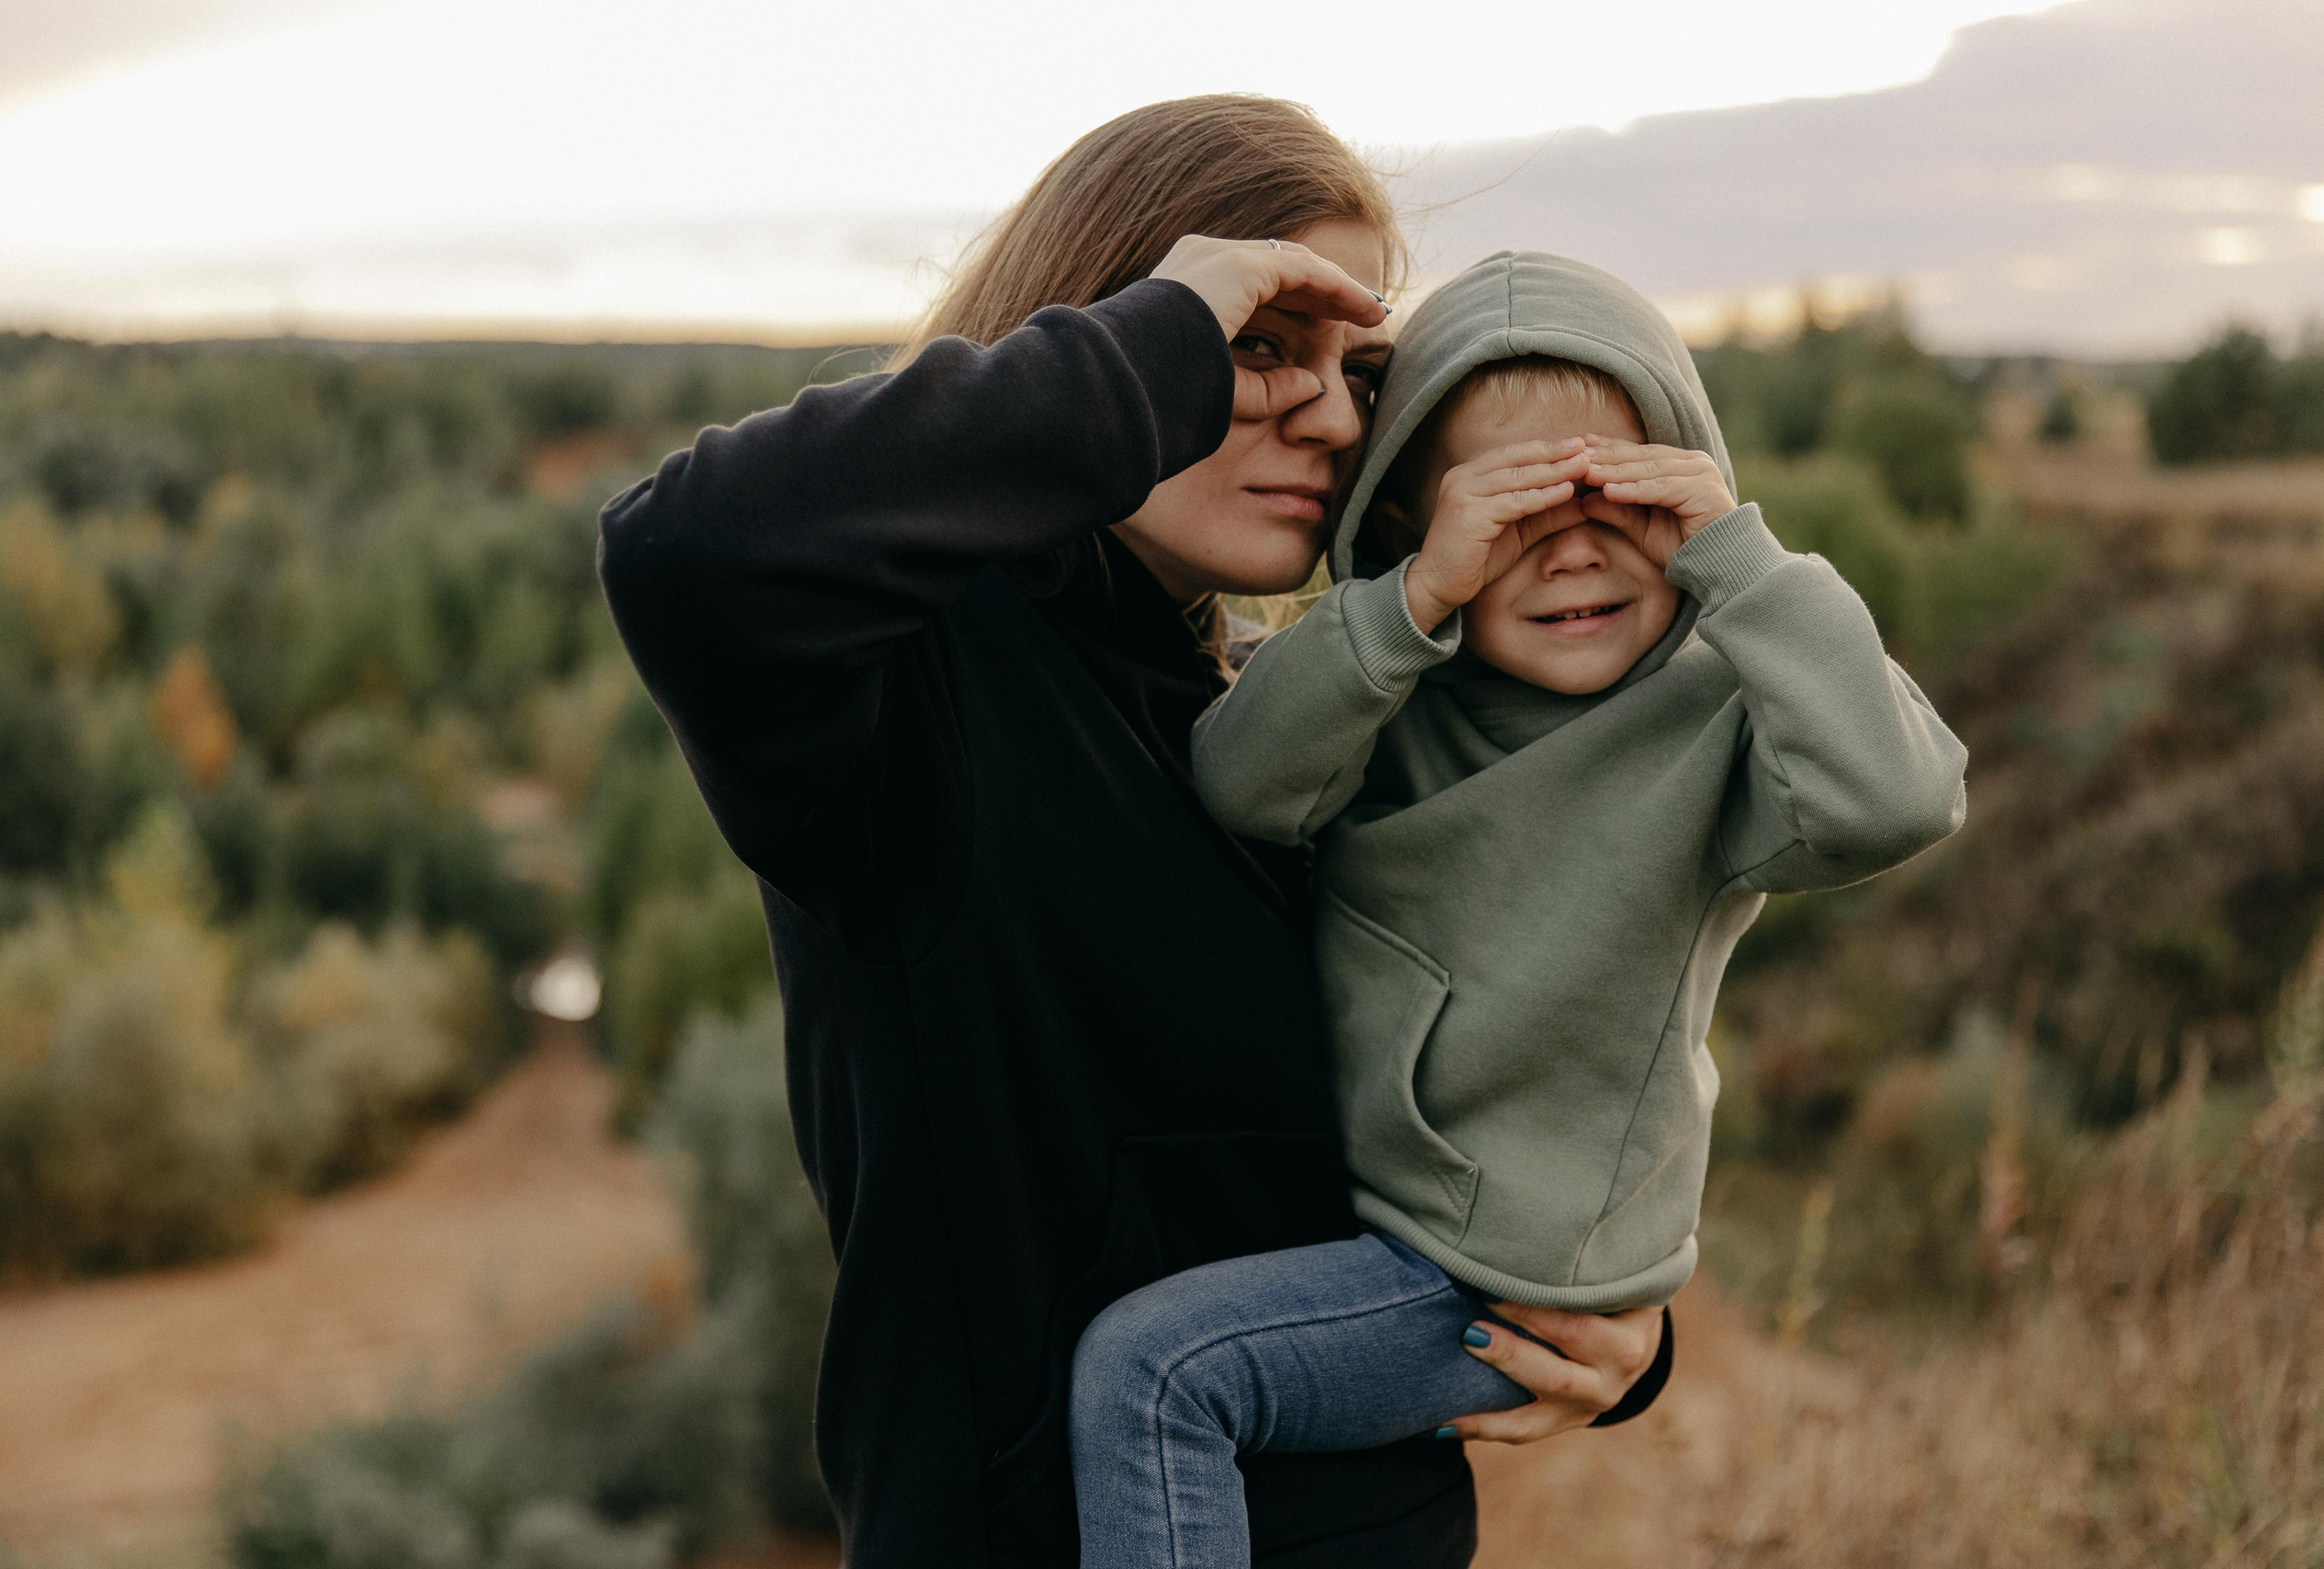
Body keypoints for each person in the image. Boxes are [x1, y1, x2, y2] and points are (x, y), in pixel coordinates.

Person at [595, 105, 1668, 1569]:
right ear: (1107, 346)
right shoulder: (926, 708)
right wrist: (1163, 343)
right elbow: (684, 550)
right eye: (1259, 346)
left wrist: (1602, 1323)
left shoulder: (1310, 725)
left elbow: (1450, 1117)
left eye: (1356, 372)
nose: (1337, 419)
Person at [1068, 251, 1971, 1568]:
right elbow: (1243, 784)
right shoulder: (1390, 682)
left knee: (1156, 1378)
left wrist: (1744, 563)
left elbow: (1899, 801)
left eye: (1626, 501)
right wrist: (1412, 604)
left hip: (1499, 1277)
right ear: (1408, 531)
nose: (1576, 550)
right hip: (1380, 1220)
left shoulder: (1715, 714)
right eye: (1513, 514)